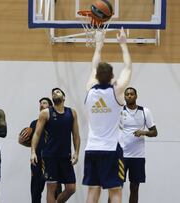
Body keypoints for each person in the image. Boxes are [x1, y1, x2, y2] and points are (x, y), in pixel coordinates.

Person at [83, 27, 132, 203]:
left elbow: (93, 67)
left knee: (92, 191)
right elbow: (127, 67)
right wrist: (123, 44)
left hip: (92, 149)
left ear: (95, 75)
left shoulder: (89, 89)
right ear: (112, 76)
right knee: (115, 191)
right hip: (111, 149)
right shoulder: (117, 91)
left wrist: (98, 45)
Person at [31, 88, 80, 203]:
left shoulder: (72, 113)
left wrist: (76, 152)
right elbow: (37, 134)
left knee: (71, 188)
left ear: (63, 97)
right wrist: (33, 152)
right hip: (50, 156)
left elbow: (76, 135)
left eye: (58, 92)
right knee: (51, 189)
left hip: (65, 157)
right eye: (53, 93)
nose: (55, 94)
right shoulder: (46, 113)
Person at [19, 97, 62, 203]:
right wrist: (21, 140)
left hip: (52, 161)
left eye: (44, 103)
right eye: (40, 103)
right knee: (35, 192)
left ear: (50, 107)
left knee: (56, 192)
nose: (41, 105)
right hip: (37, 162)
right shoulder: (34, 124)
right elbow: (33, 143)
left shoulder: (57, 122)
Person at [119, 87, 158, 203]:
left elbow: (154, 132)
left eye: (132, 94)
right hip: (121, 156)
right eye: (127, 94)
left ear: (136, 96)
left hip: (138, 157)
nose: (129, 96)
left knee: (135, 188)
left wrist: (143, 132)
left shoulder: (145, 111)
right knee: (116, 188)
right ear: (124, 97)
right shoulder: (119, 111)